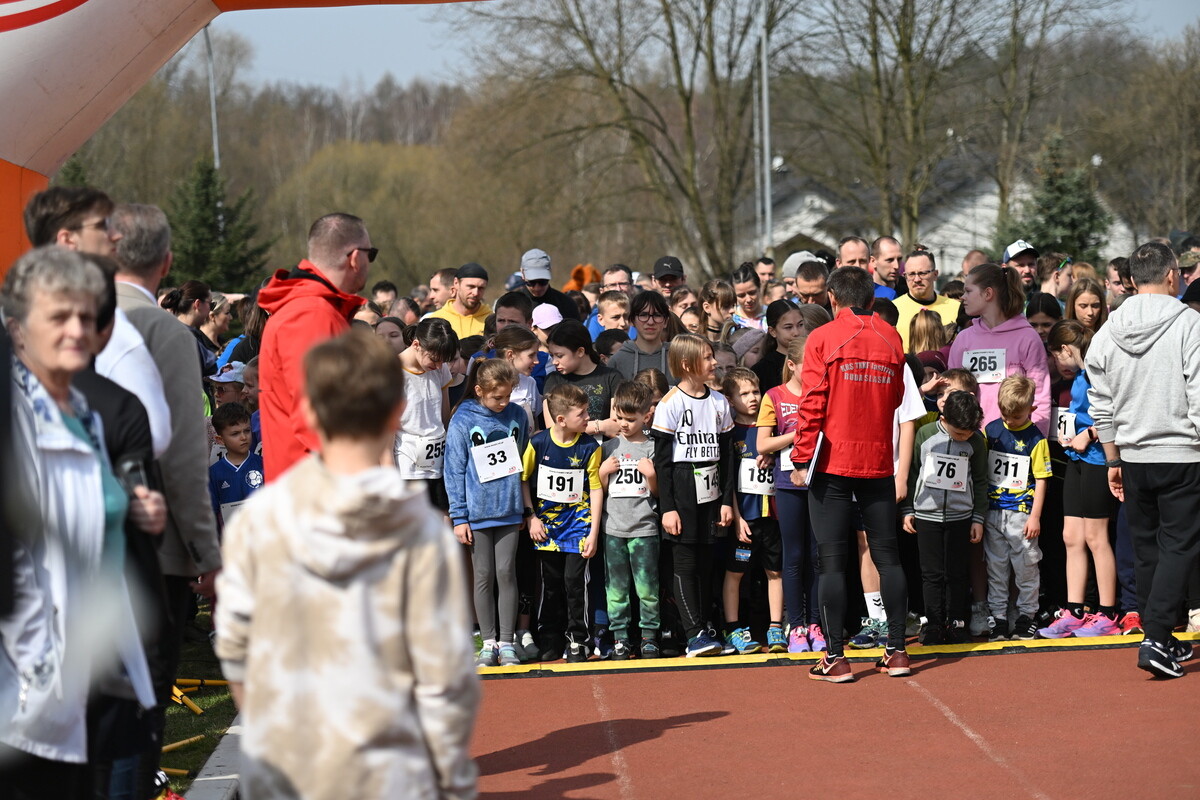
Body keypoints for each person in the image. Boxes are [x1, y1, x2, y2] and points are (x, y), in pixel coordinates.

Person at [214, 331, 477, 798]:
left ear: (310, 414)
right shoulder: (420, 530)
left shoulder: (258, 519)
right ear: (395, 414)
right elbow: (443, 672)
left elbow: (238, 651)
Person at [2, 247, 160, 795]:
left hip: (98, 666)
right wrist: (41, 672)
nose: (77, 329)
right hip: (33, 689)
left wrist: (136, 510)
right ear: (18, 329)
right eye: (58, 317)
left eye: (86, 317)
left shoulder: (85, 415)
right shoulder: (15, 419)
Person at [109, 204, 222, 785]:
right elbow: (182, 455)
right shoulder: (162, 333)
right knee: (136, 714)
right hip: (150, 547)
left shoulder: (55, 322)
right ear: (167, 262)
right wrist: (206, 551)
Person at [788, 267, 910, 682]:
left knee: (833, 562)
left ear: (832, 299)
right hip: (877, 459)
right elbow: (895, 398)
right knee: (887, 557)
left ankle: (836, 657)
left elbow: (812, 403)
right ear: (872, 300)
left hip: (833, 462)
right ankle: (897, 651)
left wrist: (802, 459)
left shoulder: (823, 337)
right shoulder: (891, 337)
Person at [1087, 242, 1200, 676]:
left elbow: (1102, 402)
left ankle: (1162, 636)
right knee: (1177, 546)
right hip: (1182, 452)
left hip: (1133, 455)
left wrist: (1113, 457)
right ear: (1172, 276)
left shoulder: (1108, 331)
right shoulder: (1188, 323)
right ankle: (1156, 637)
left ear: (1132, 280)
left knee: (1150, 547)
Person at [257, 213, 371, 480]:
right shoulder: (312, 314)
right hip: (315, 495)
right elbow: (318, 419)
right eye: (370, 254)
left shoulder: (313, 309)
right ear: (355, 258)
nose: (370, 262)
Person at [652, 334, 735, 657]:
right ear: (687, 365)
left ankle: (706, 627)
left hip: (711, 489)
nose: (714, 363)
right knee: (684, 562)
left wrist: (726, 500)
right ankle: (693, 633)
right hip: (682, 487)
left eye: (713, 356)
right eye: (707, 357)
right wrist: (668, 508)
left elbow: (728, 456)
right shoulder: (670, 404)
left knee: (705, 561)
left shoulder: (718, 402)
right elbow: (662, 462)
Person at [1038, 320, 1121, 638]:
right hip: (1075, 459)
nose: (1058, 365)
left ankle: (1108, 612)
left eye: (1056, 356)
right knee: (1071, 536)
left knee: (1096, 537)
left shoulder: (1098, 370)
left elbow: (1118, 412)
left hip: (1099, 460)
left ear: (1064, 350)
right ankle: (1074, 610)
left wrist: (1089, 433)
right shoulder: (1083, 375)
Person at [445, 359, 529, 667]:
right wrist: (459, 517)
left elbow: (523, 465)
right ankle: (489, 641)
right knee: (482, 575)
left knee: (506, 572)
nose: (504, 403)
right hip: (477, 513)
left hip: (509, 510)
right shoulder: (463, 418)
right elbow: (453, 469)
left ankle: (507, 642)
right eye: (497, 398)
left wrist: (526, 509)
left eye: (508, 396)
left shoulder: (518, 415)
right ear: (480, 390)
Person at [522, 384, 604, 662]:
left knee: (574, 583)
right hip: (547, 530)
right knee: (550, 583)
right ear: (561, 419)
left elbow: (595, 488)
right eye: (582, 414)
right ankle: (549, 636)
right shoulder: (538, 443)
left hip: (579, 529)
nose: (588, 418)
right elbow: (523, 480)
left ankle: (577, 639)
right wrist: (530, 516)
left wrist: (593, 532)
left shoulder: (589, 447)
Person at [902, 390, 988, 644]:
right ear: (943, 418)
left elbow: (981, 481)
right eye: (959, 433)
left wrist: (978, 518)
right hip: (926, 515)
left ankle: (957, 622)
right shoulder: (925, 434)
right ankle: (934, 623)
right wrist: (908, 509)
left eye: (969, 433)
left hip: (961, 516)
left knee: (957, 572)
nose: (964, 437)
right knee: (931, 574)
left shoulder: (975, 442)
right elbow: (912, 473)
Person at [757, 337, 825, 653]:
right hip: (787, 485)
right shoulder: (775, 396)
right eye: (807, 367)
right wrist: (795, 436)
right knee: (794, 556)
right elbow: (762, 445)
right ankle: (795, 626)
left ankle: (815, 623)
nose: (813, 372)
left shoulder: (823, 394)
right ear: (792, 365)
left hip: (819, 483)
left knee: (817, 556)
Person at [721, 368, 786, 655]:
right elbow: (729, 482)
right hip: (744, 522)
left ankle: (775, 627)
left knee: (775, 571)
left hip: (772, 519)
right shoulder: (730, 433)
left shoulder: (772, 428)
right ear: (730, 399)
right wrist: (736, 518)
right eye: (744, 394)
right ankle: (734, 628)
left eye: (755, 392)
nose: (752, 398)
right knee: (735, 573)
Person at [983, 376, 1051, 642]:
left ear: (1031, 410)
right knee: (996, 567)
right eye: (1005, 414)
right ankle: (998, 617)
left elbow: (1043, 479)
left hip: (1022, 514)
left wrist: (1035, 516)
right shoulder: (991, 431)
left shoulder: (1037, 439)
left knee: (1026, 566)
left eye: (1016, 415)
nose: (1009, 420)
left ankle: (1027, 616)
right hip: (993, 512)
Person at [599, 381, 661, 659]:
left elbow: (661, 492)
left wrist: (651, 476)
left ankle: (649, 636)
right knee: (616, 589)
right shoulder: (609, 446)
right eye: (620, 418)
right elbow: (597, 489)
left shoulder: (652, 447)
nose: (624, 424)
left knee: (647, 588)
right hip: (613, 529)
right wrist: (602, 472)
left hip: (645, 528)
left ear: (646, 416)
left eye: (631, 419)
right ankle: (620, 637)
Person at [395, 318, 458, 510]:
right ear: (416, 345)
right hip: (407, 466)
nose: (439, 366)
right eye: (434, 359)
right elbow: (384, 431)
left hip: (438, 464)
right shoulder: (392, 372)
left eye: (443, 362)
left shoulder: (439, 368)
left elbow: (444, 414)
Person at [543, 319, 622, 439]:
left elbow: (615, 425)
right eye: (552, 355)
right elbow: (553, 429)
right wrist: (600, 426)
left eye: (559, 356)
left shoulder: (612, 377)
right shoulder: (553, 380)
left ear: (580, 351)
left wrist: (571, 428)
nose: (554, 362)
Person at [208, 401, 264, 534]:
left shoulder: (262, 464)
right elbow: (212, 513)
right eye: (235, 434)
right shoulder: (214, 473)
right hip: (232, 542)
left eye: (247, 431)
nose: (243, 437)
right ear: (220, 440)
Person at [894, 247, 960, 351]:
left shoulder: (956, 308)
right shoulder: (894, 309)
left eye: (923, 273)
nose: (916, 279)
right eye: (911, 274)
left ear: (935, 274)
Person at [609, 290, 675, 383]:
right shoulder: (617, 360)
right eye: (643, 315)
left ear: (666, 322)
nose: (650, 322)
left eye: (657, 315)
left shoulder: (677, 358)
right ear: (631, 320)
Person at [160, 279, 218, 380]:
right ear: (198, 304)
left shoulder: (171, 331)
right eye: (211, 304)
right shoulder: (183, 337)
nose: (210, 311)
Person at [492, 325, 542, 437]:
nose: (537, 361)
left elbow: (535, 425)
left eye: (537, 355)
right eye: (531, 355)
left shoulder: (530, 383)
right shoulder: (488, 384)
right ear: (510, 355)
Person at [751, 299, 804, 394]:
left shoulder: (815, 358)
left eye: (800, 325)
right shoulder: (762, 371)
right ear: (773, 331)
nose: (796, 332)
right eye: (788, 327)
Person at [428, 262, 492, 339]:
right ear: (456, 283)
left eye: (481, 288)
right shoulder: (436, 320)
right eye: (470, 286)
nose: (475, 293)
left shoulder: (492, 320)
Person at [519, 247, 580, 322]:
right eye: (532, 282)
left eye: (543, 281)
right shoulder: (511, 304)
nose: (537, 288)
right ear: (522, 273)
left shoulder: (566, 304)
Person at [697, 279, 735, 343]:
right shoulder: (696, 343)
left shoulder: (735, 339)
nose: (732, 310)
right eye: (726, 306)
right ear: (707, 308)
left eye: (733, 305)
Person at [729, 263, 764, 330]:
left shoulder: (772, 315)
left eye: (752, 293)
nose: (748, 300)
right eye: (741, 295)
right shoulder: (729, 319)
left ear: (759, 288)